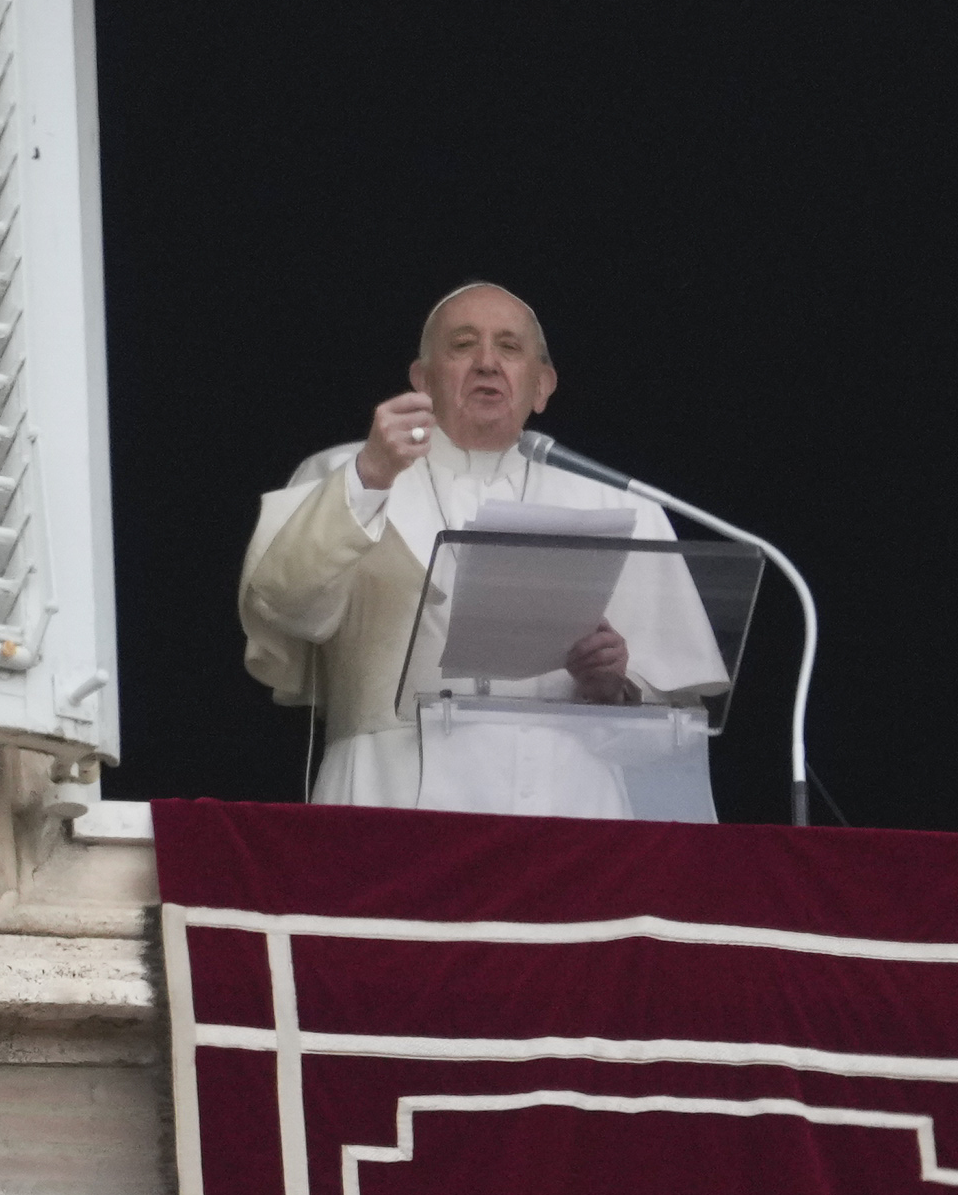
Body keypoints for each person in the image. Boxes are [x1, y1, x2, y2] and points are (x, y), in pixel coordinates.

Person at [239, 283, 726, 813]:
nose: (488, 363)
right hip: (390, 798)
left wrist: (614, 690)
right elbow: (283, 608)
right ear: (423, 380)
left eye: (510, 348)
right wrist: (372, 478)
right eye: (463, 344)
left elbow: (674, 734)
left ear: (542, 386)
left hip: (571, 810)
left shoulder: (621, 505)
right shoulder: (347, 473)